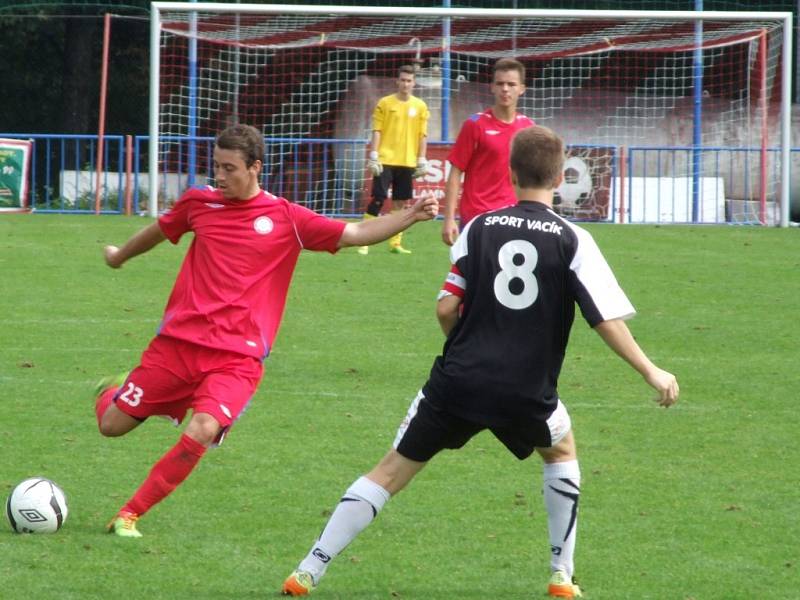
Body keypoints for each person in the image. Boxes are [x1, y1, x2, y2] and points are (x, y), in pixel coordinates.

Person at [281, 125, 679, 598]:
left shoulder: (479, 228)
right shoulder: (574, 239)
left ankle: (309, 568)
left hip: (458, 381)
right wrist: (652, 371)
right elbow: (605, 320)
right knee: (561, 452)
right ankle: (561, 575)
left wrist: (465, 347)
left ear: (510, 173)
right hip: (525, 389)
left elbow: (446, 308)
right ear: (558, 175)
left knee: (389, 472)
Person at [93, 124, 439, 538]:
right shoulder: (199, 204)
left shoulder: (286, 218)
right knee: (111, 426)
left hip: (237, 358)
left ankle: (129, 514)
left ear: (255, 167)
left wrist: (411, 216)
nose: (219, 177)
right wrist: (119, 257)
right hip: (177, 345)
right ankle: (112, 392)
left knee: (203, 428)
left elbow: (354, 233)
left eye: (229, 168)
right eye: (215, 166)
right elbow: (158, 231)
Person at [441, 57, 534, 246]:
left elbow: (530, 178)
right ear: (492, 87)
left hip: (512, 217)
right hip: (476, 216)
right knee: (472, 274)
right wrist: (449, 218)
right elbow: (455, 173)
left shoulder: (528, 128)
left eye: (511, 84)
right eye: (500, 84)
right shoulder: (475, 125)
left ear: (521, 89)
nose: (505, 89)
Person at [359, 64, 430, 255]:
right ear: (397, 81)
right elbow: (377, 130)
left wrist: (421, 158)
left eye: (409, 81)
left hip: (407, 161)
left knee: (400, 203)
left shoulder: (420, 106)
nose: (405, 84)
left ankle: (395, 243)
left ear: (414, 83)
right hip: (385, 159)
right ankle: (363, 240)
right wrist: (373, 154)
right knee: (378, 199)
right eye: (403, 80)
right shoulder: (385, 103)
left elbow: (422, 135)